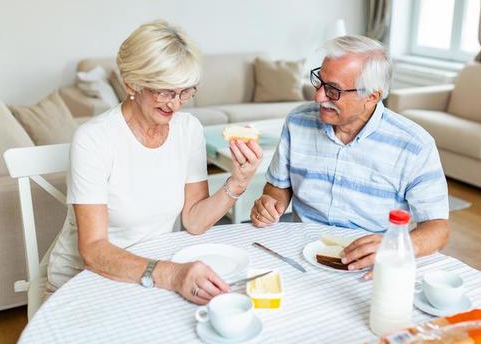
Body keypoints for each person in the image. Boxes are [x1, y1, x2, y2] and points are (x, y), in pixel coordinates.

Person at [48, 20, 262, 304]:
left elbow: (195, 221)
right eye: (164, 91)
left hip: (151, 273)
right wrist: (172, 275)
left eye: (185, 91)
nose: (174, 103)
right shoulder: (94, 139)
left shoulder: (188, 129)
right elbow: (93, 249)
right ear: (131, 83)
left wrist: (239, 181)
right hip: (86, 280)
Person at [250, 35, 449, 279]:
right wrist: (271, 203)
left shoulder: (415, 145)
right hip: (299, 255)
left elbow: (437, 228)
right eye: (319, 82)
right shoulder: (297, 122)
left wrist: (394, 248)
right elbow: (277, 187)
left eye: (333, 90)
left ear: (372, 96)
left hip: (370, 266)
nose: (319, 97)